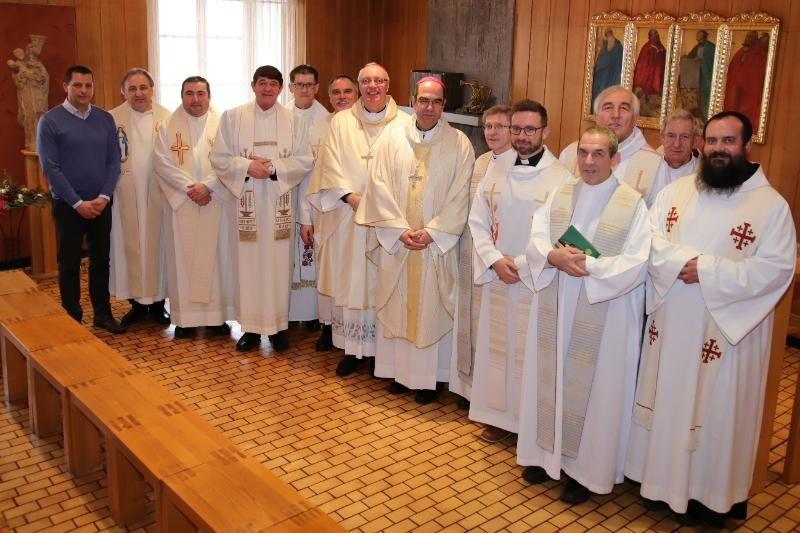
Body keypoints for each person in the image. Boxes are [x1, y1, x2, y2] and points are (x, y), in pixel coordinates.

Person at [626, 111, 796, 527]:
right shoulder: (677, 192)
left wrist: (706, 270)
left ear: (747, 146)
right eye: (714, 140)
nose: (719, 149)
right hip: (672, 322)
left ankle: (709, 498)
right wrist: (680, 263)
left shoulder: (770, 206)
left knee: (716, 411)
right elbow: (649, 240)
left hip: (725, 331)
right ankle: (659, 485)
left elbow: (777, 269)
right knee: (668, 400)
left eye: (729, 141)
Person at [517, 126, 650, 504]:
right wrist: (551, 255)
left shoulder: (633, 204)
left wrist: (589, 266)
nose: (589, 162)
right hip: (558, 302)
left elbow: (639, 261)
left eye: (598, 154)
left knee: (596, 390)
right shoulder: (562, 193)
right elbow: (537, 234)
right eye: (583, 153)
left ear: (615, 158)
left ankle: (583, 472)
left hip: (603, 310)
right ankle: (545, 456)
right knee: (551, 377)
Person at [354, 77, 475, 404]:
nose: (428, 107)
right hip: (400, 242)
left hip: (434, 245)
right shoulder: (391, 138)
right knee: (397, 305)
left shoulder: (459, 144)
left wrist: (433, 232)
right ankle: (398, 373)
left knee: (431, 308)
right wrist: (398, 229)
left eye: (436, 101)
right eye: (423, 100)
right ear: (412, 100)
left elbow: (461, 194)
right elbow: (378, 186)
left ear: (444, 105)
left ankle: (428, 379)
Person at [465, 100, 571, 442]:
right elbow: (478, 220)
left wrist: (523, 265)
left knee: (529, 352)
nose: (522, 136)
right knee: (498, 348)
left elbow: (563, 234)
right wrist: (493, 259)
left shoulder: (561, 178)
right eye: (517, 129)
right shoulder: (496, 170)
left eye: (530, 129)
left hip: (536, 280)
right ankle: (498, 415)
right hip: (499, 274)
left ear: (545, 131)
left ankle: (527, 423)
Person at [306, 63, 410, 376]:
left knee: (382, 282)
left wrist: (382, 204)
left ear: (388, 85)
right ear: (360, 86)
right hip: (348, 217)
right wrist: (350, 197)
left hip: (388, 219)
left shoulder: (405, 123)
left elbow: (411, 170)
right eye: (366, 81)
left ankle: (382, 353)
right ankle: (353, 350)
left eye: (378, 81)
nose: (372, 86)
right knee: (352, 281)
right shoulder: (341, 122)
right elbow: (329, 164)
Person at [210, 65, 313, 352]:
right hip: (247, 206)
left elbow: (305, 159)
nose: (267, 88)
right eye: (262, 83)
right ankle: (251, 329)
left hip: (280, 205)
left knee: (279, 267)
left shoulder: (294, 121)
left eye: (273, 84)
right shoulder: (232, 117)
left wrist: (273, 168)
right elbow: (218, 157)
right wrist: (247, 166)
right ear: (253, 85)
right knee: (248, 266)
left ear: (280, 88)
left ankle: (278, 328)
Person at [36, 65, 124, 333]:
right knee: (69, 264)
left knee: (101, 262)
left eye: (88, 85)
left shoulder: (104, 118)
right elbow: (51, 169)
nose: (84, 90)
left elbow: (113, 161)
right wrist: (77, 203)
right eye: (77, 85)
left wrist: (104, 196)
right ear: (66, 87)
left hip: (100, 204)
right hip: (68, 205)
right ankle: (72, 318)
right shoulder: (50, 121)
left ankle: (102, 314)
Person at [153, 76, 234, 339]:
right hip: (183, 204)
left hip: (216, 201)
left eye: (200, 93)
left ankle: (216, 319)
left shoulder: (225, 123)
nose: (195, 99)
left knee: (217, 261)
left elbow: (232, 161)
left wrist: (208, 186)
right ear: (182, 96)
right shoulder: (167, 125)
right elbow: (162, 163)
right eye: (189, 93)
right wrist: (192, 189)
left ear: (209, 96)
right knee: (183, 261)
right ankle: (185, 320)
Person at [448, 104, 514, 410]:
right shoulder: (481, 161)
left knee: (493, 328)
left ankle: (489, 394)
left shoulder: (519, 165)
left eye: (500, 126)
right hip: (470, 252)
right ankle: (468, 388)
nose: (492, 132)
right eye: (488, 126)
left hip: (498, 258)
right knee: (470, 321)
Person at [109, 68, 171, 327]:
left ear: (152, 89)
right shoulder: (112, 119)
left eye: (143, 87)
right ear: (123, 92)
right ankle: (135, 304)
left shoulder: (168, 118)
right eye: (132, 89)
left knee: (159, 246)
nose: (138, 93)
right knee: (127, 247)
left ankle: (158, 305)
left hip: (160, 194)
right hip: (124, 193)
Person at [306, 74, 359, 352]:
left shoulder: (365, 126)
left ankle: (354, 335)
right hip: (325, 212)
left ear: (357, 94)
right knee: (327, 273)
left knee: (352, 276)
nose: (342, 97)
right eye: (336, 92)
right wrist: (306, 218)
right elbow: (309, 177)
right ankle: (327, 327)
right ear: (328, 97)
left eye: (347, 91)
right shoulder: (318, 128)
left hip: (356, 213)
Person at [561, 85, 665, 204]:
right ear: (596, 116)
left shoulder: (655, 164)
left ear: (635, 118)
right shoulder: (570, 154)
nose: (616, 115)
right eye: (608, 107)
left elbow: (658, 212)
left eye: (624, 108)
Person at [286, 64, 329, 329]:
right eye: (299, 85)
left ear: (317, 87)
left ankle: (313, 314)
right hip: (287, 195)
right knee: (289, 257)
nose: (304, 89)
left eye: (309, 85)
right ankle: (288, 313)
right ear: (291, 87)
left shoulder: (327, 121)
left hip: (315, 196)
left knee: (312, 257)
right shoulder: (280, 117)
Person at [724, 31, 767, 128]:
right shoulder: (740, 51)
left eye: (750, 36)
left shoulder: (758, 53)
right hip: (735, 87)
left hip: (749, 89)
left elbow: (757, 73)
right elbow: (732, 68)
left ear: (755, 39)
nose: (747, 38)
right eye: (747, 36)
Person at [652, 108, 701, 194]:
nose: (677, 144)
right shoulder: (648, 167)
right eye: (671, 136)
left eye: (684, 137)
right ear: (662, 138)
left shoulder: (703, 176)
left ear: (695, 141)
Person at [686, 30, 716, 120]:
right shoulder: (697, 47)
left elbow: (713, 60)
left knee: (706, 94)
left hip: (707, 75)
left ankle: (707, 114)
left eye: (700, 39)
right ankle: (700, 112)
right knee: (698, 94)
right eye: (697, 39)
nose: (698, 41)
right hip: (697, 74)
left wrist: (700, 60)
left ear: (705, 37)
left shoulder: (711, 47)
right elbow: (690, 57)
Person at [633, 29, 667, 99]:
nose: (656, 35)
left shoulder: (661, 46)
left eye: (657, 33)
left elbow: (665, 57)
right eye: (654, 34)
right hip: (650, 71)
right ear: (650, 36)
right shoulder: (646, 47)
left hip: (660, 71)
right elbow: (642, 63)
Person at [592, 28, 623, 102]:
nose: (608, 35)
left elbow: (619, 59)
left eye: (609, 33)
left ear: (611, 33)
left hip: (612, 73)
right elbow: (601, 58)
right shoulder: (605, 44)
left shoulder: (618, 44)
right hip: (602, 73)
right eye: (606, 34)